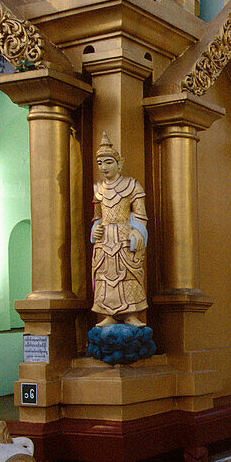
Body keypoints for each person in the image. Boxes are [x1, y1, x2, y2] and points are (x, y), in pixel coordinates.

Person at [90, 134, 148, 327]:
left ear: (119, 163)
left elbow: (140, 215)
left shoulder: (132, 186)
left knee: (128, 274)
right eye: (100, 163)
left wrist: (137, 231)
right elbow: (97, 217)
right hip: (104, 240)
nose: (104, 167)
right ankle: (108, 313)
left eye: (108, 162)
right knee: (104, 276)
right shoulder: (98, 190)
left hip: (124, 237)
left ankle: (130, 312)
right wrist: (95, 230)